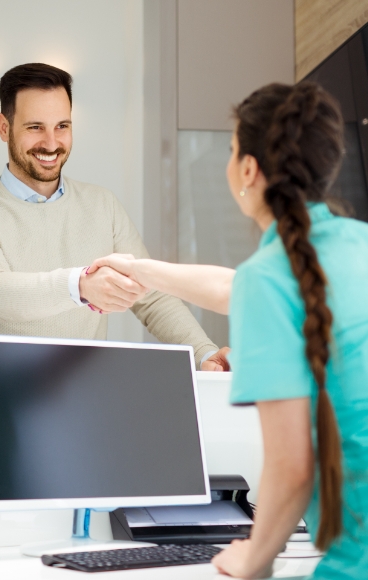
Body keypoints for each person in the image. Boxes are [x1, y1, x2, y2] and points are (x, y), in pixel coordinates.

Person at [89, 81, 368, 578]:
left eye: (233, 148)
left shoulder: (272, 278)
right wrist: (141, 268)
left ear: (247, 169)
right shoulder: (354, 245)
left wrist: (253, 556)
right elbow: (231, 287)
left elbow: (291, 465)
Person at [0, 63, 228, 370]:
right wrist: (80, 285)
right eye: (35, 127)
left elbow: (151, 296)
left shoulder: (103, 205)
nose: (51, 144)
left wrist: (203, 352)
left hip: (85, 389)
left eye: (62, 126)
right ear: (3, 127)